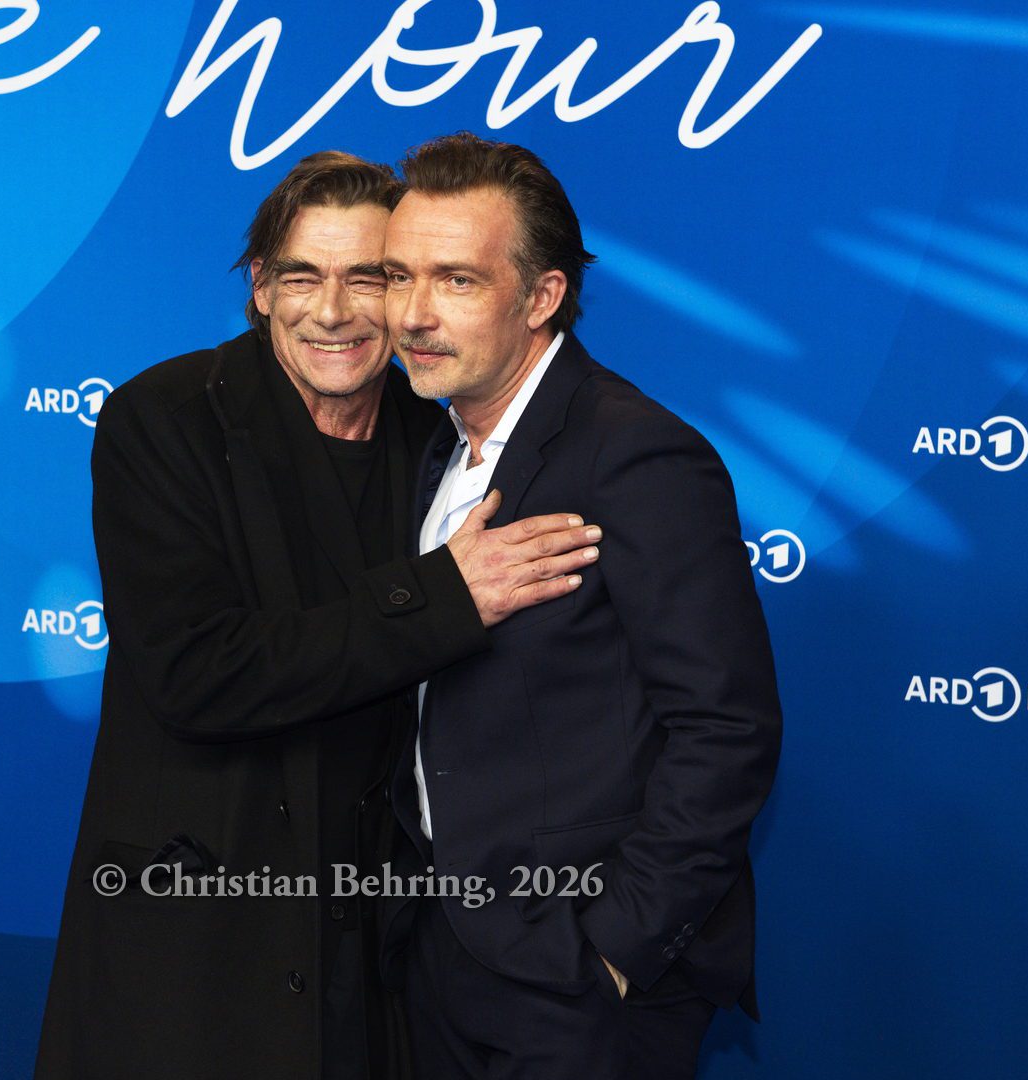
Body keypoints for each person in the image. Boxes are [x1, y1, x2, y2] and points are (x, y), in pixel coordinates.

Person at [33, 150, 603, 1080]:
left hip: (379, 944)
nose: (332, 312)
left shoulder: (441, 435)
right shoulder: (165, 419)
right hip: (201, 937)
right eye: (302, 277)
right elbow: (199, 673)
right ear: (260, 289)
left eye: (369, 278)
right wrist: (443, 597)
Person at [378, 132, 783, 1079]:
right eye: (398, 277)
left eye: (457, 281)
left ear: (542, 296)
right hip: (443, 953)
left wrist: (614, 950)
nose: (414, 315)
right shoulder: (440, 447)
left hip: (574, 979)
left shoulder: (635, 454)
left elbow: (727, 727)